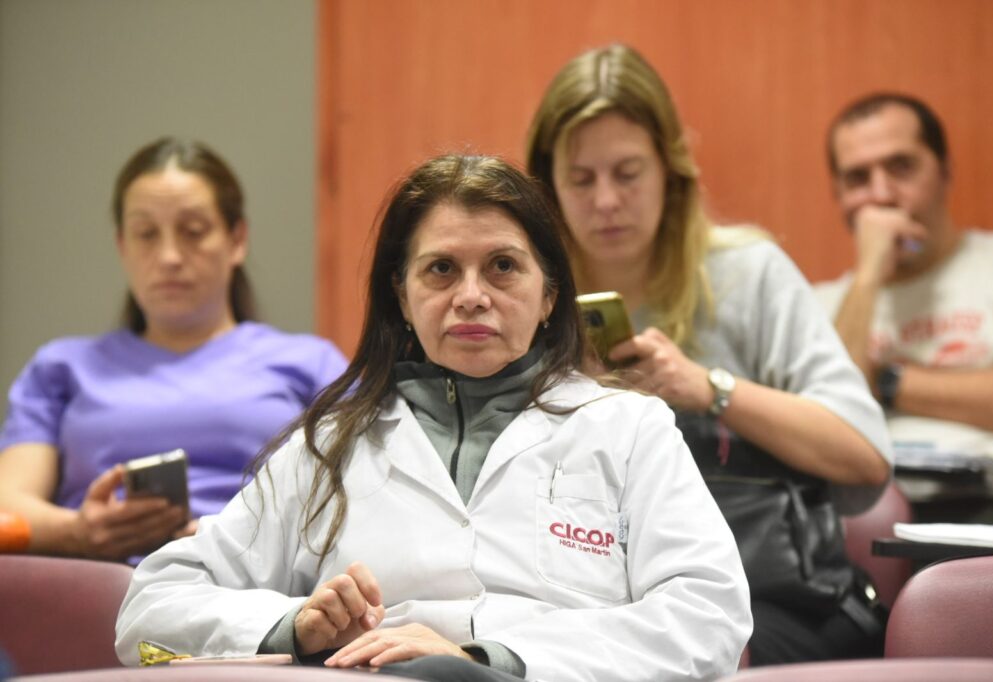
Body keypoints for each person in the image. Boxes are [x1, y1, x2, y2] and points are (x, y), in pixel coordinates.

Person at [114, 154, 752, 681]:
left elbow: (709, 614)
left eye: (503, 267)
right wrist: (295, 626)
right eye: (441, 269)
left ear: (550, 293)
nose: (471, 295)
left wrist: (492, 661)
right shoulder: (329, 446)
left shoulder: (630, 428)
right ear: (403, 293)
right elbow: (152, 605)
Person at [525, 44, 893, 665]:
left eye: (629, 172)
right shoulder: (524, 295)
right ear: (548, 185)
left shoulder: (747, 274)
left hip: (765, 597)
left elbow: (864, 459)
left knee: (689, 648)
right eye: (581, 179)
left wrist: (708, 389)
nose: (606, 200)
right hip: (585, 599)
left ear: (670, 170)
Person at [0, 137, 347, 562]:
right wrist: (79, 532)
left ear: (237, 239)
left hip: (256, 589)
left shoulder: (312, 365)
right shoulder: (61, 368)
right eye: (146, 234)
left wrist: (240, 536)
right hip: (95, 590)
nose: (168, 256)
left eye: (193, 232)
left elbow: (369, 498)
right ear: (122, 246)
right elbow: (8, 506)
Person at [814, 93, 993, 526]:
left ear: (945, 171)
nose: (882, 194)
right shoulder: (823, 304)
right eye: (857, 179)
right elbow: (829, 418)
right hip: (865, 517)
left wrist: (887, 382)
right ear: (838, 197)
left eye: (901, 167)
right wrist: (870, 271)